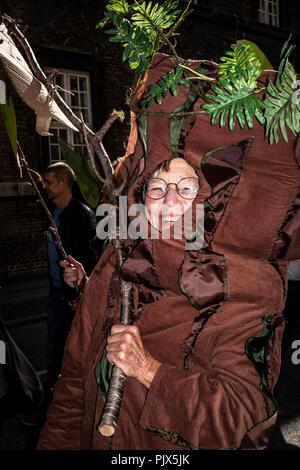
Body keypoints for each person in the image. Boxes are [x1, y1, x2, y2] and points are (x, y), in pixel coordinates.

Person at [37, 54, 300, 450]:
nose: (168, 202)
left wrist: (148, 370)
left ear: (209, 203)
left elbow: (240, 419)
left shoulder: (245, 289)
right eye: (157, 187)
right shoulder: (115, 265)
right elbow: (74, 384)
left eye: (187, 188)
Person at [43, 162, 97, 391]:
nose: (45, 186)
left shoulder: (82, 215)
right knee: (54, 349)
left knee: (65, 352)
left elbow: (94, 257)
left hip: (73, 296)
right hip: (55, 291)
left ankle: (54, 403)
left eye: (49, 182)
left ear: (64, 182)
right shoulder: (50, 211)